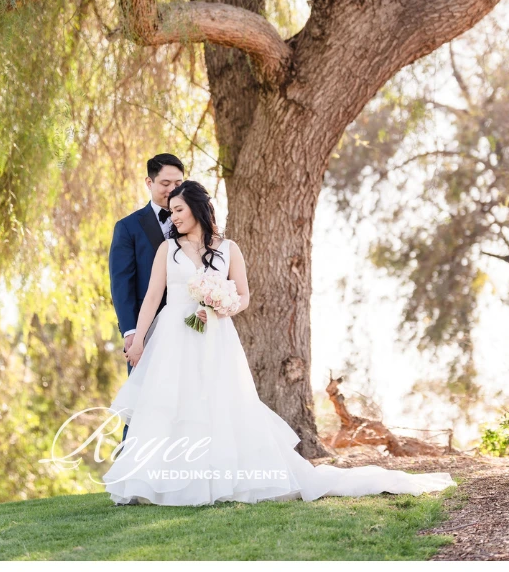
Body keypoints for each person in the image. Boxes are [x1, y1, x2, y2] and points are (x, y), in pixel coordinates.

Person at [103, 181, 455, 505]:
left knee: (218, 402)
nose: (173, 216)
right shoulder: (167, 250)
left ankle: (219, 481)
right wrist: (137, 340)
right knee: (172, 403)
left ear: (196, 208)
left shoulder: (228, 249)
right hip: (173, 337)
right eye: (171, 211)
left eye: (178, 209)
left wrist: (222, 306)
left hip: (215, 337)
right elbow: (151, 299)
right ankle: (156, 484)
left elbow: (243, 295)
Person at [108, 153, 185, 448]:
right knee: (142, 403)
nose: (172, 189)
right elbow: (121, 284)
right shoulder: (128, 227)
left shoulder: (194, 223)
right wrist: (131, 333)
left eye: (178, 182)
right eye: (165, 183)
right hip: (146, 330)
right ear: (149, 183)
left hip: (188, 327)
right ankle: (128, 477)